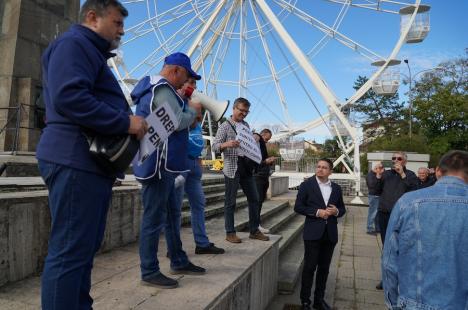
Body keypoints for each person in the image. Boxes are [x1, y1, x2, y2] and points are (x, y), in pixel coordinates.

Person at [36, 1, 148, 308]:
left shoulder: (87, 51)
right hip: (75, 158)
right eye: (116, 23)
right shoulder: (75, 44)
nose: (122, 31)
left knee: (81, 250)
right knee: (70, 251)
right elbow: (69, 96)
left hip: (86, 162)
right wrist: (126, 121)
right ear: (92, 17)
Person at [131, 52, 204, 289]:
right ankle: (149, 270)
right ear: (176, 70)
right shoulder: (162, 89)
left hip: (166, 164)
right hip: (159, 166)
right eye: (185, 75)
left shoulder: (160, 89)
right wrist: (192, 109)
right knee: (154, 219)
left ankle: (178, 259)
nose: (185, 81)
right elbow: (177, 122)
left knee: (172, 216)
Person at [382, 150, 468, 310]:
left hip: (414, 302)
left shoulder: (408, 202)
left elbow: (389, 261)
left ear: (437, 171)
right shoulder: (402, 193)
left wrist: (393, 302)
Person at [173, 78, 224, 255]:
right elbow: (187, 124)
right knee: (175, 206)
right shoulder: (174, 100)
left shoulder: (194, 103)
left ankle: (201, 243)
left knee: (199, 204)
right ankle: (174, 246)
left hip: (194, 162)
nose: (194, 87)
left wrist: (199, 157)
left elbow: (196, 126)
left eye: (195, 84)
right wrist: (193, 111)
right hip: (180, 161)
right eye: (191, 83)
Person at [212, 98, 269, 243]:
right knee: (230, 201)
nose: (243, 114)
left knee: (254, 199)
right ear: (234, 108)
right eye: (241, 110)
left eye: (246, 112)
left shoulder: (246, 125)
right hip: (232, 167)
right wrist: (227, 144)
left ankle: (254, 230)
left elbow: (249, 144)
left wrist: (255, 137)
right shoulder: (224, 126)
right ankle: (230, 232)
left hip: (246, 166)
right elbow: (214, 146)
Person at [294, 158, 346, 310]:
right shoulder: (306, 185)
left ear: (330, 171)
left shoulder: (336, 188)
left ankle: (319, 300)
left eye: (324, 167)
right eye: (318, 166)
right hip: (312, 233)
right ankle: (305, 302)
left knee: (324, 269)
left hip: (330, 234)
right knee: (309, 268)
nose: (320, 169)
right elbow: (298, 207)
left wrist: (336, 211)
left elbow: (342, 209)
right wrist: (317, 212)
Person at [372, 151, 418, 290]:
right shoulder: (386, 174)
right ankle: (387, 279)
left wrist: (402, 174)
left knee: (401, 247)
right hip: (385, 213)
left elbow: (413, 189)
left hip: (401, 215)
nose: (395, 160)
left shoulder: (410, 175)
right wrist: (378, 176)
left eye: (399, 158)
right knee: (387, 248)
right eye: (393, 158)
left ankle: (401, 279)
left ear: (405, 161)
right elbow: (375, 190)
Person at [253, 129, 276, 234]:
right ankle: (255, 225)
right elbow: (255, 163)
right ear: (262, 135)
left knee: (260, 201)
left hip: (263, 177)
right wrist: (266, 161)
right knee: (257, 202)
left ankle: (257, 224)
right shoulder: (255, 144)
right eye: (266, 139)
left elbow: (262, 161)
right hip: (258, 177)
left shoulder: (262, 146)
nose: (267, 142)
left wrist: (269, 161)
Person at [365, 162, 384, 234]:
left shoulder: (376, 174)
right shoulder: (370, 175)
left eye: (382, 168)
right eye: (380, 168)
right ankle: (369, 228)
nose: (382, 170)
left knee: (377, 214)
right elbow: (372, 185)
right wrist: (378, 176)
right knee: (372, 213)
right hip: (374, 196)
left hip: (378, 195)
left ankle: (377, 228)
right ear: (376, 168)